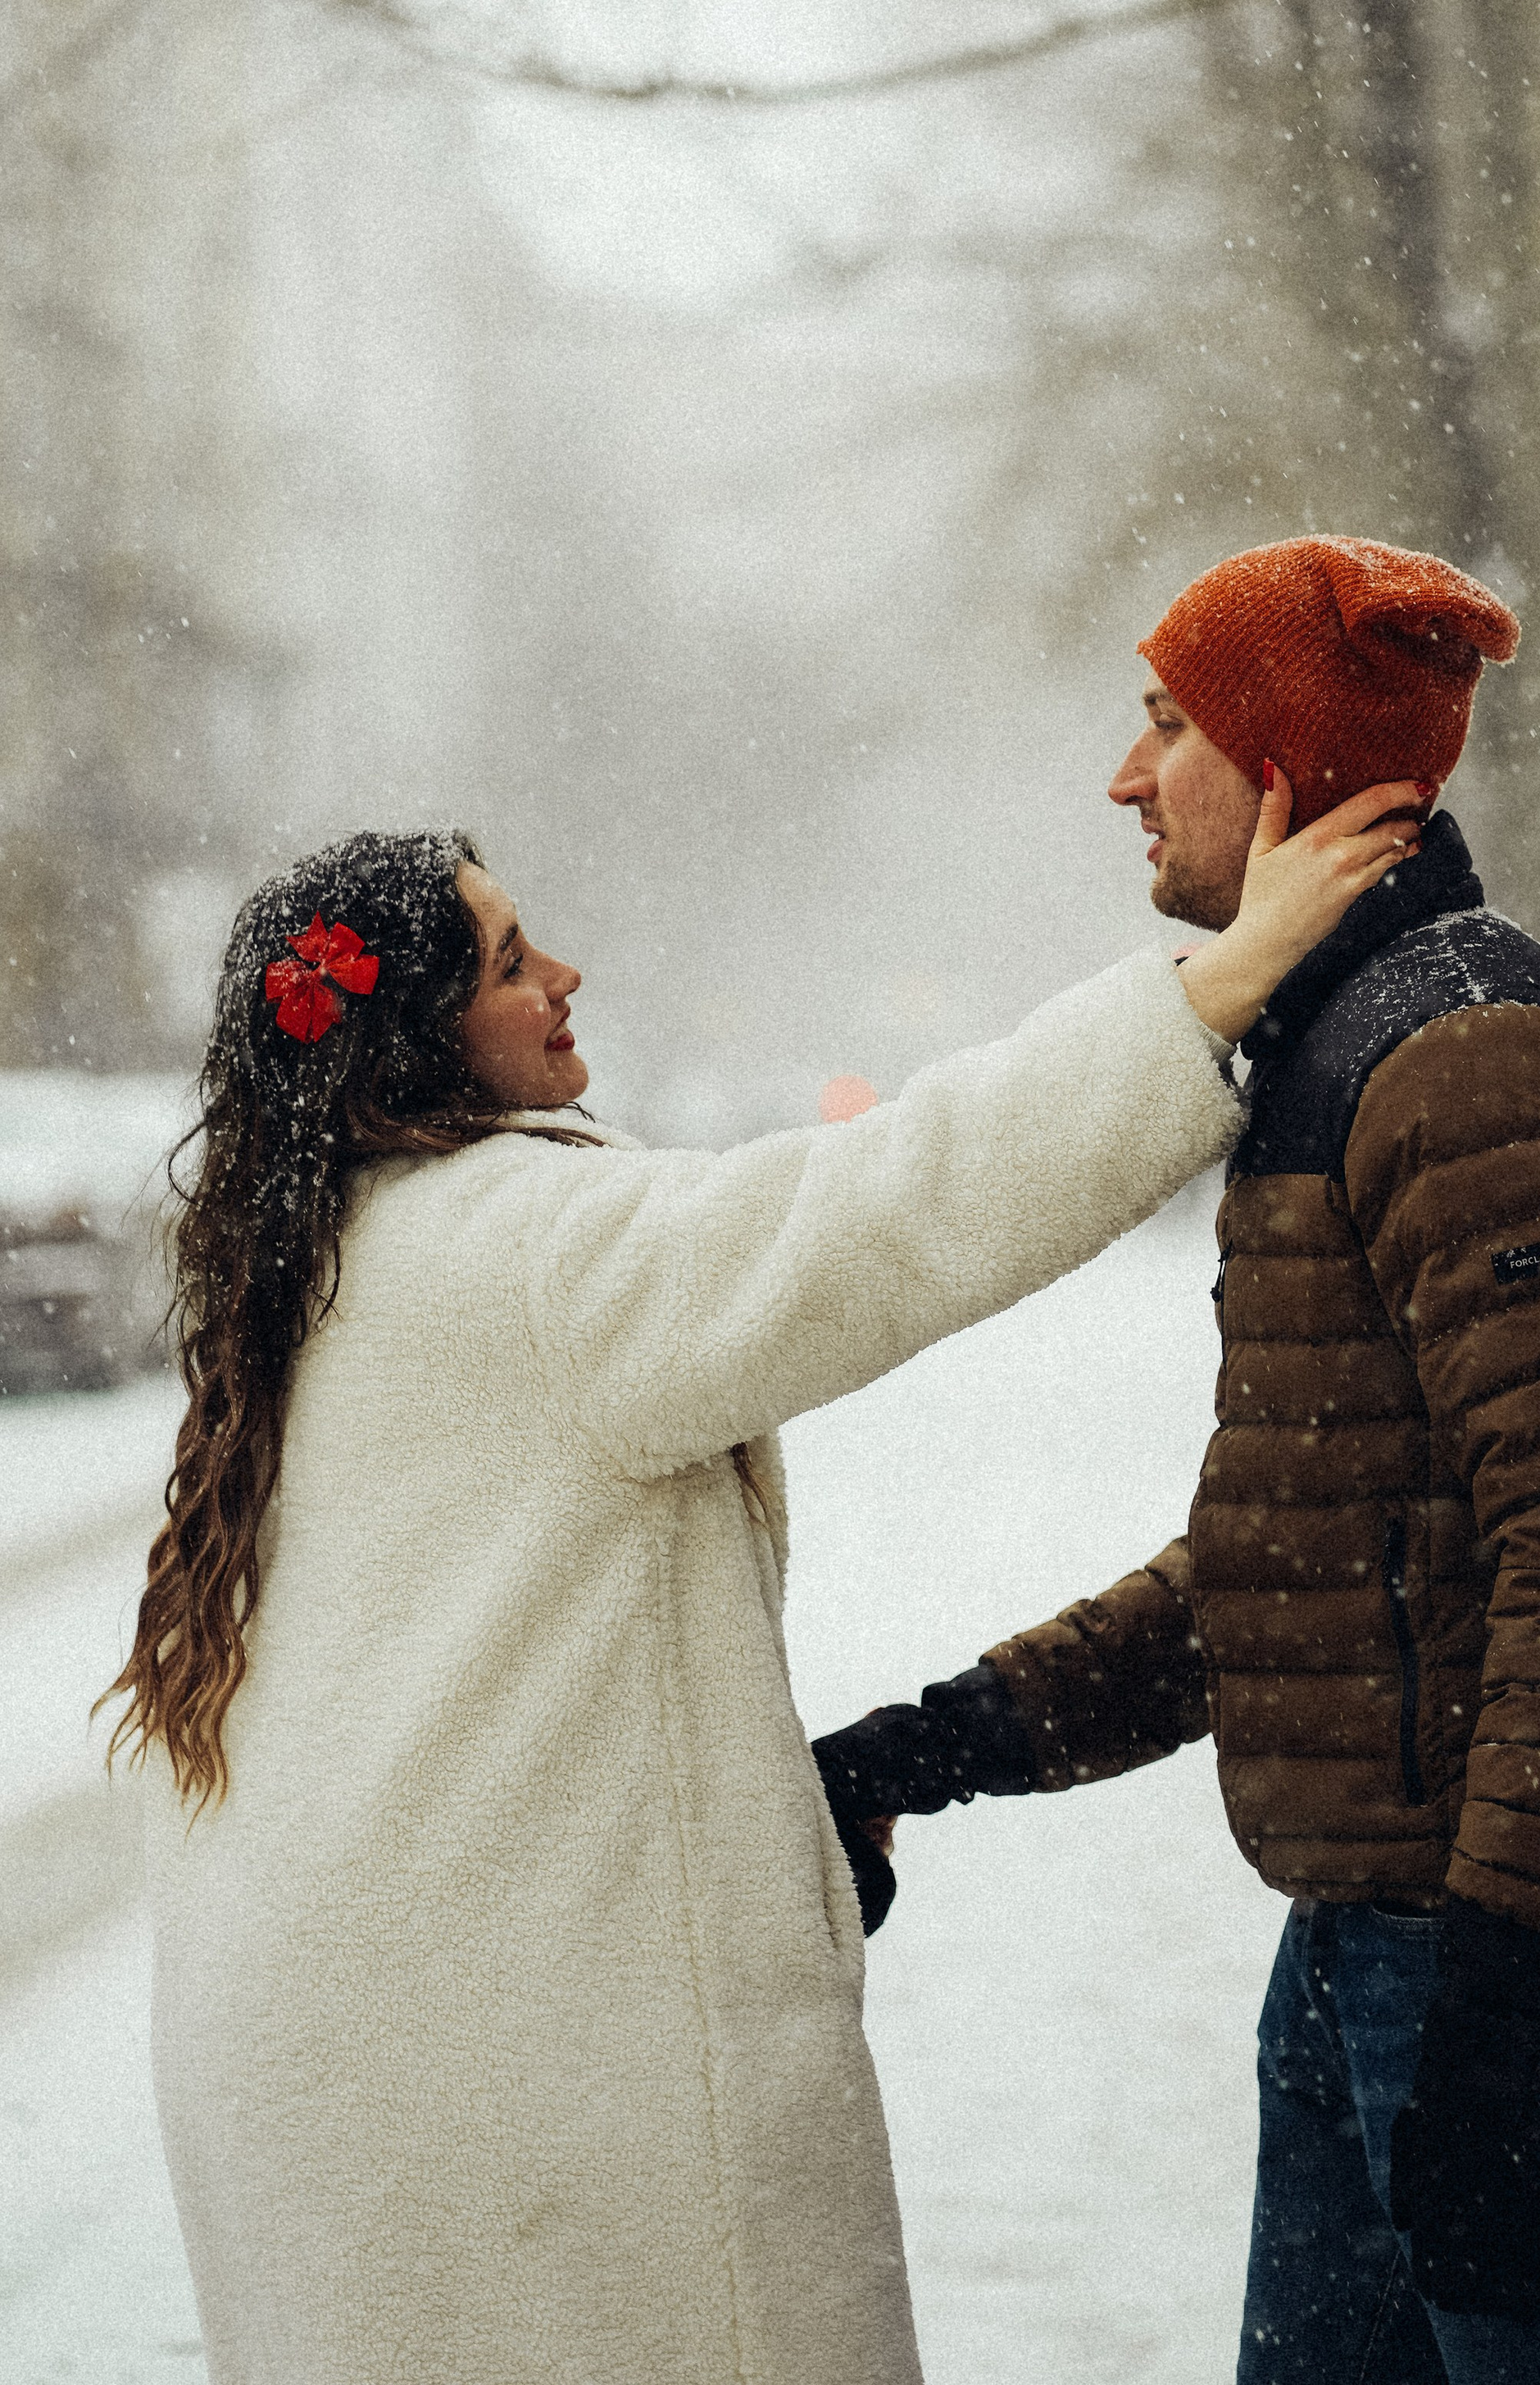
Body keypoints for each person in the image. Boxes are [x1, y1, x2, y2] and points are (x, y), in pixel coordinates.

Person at [105, 791, 1419, 2385]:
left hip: (336, 2114)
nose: (565, 972)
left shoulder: (303, 1274)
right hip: (549, 2114)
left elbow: (472, 1718)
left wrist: (760, 1843)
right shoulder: (530, 1249)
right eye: (514, 960)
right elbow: (892, 1204)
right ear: (415, 1046)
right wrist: (1216, 986)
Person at [813, 535, 1540, 2385]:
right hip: (1365, 1950)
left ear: (1292, 763)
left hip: (1505, 1969)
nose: (1121, 772)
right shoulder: (1340, 1053)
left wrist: (1500, 2006)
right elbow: (1301, 1575)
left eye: (1165, 722)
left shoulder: (1469, 1060)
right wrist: (945, 1738)